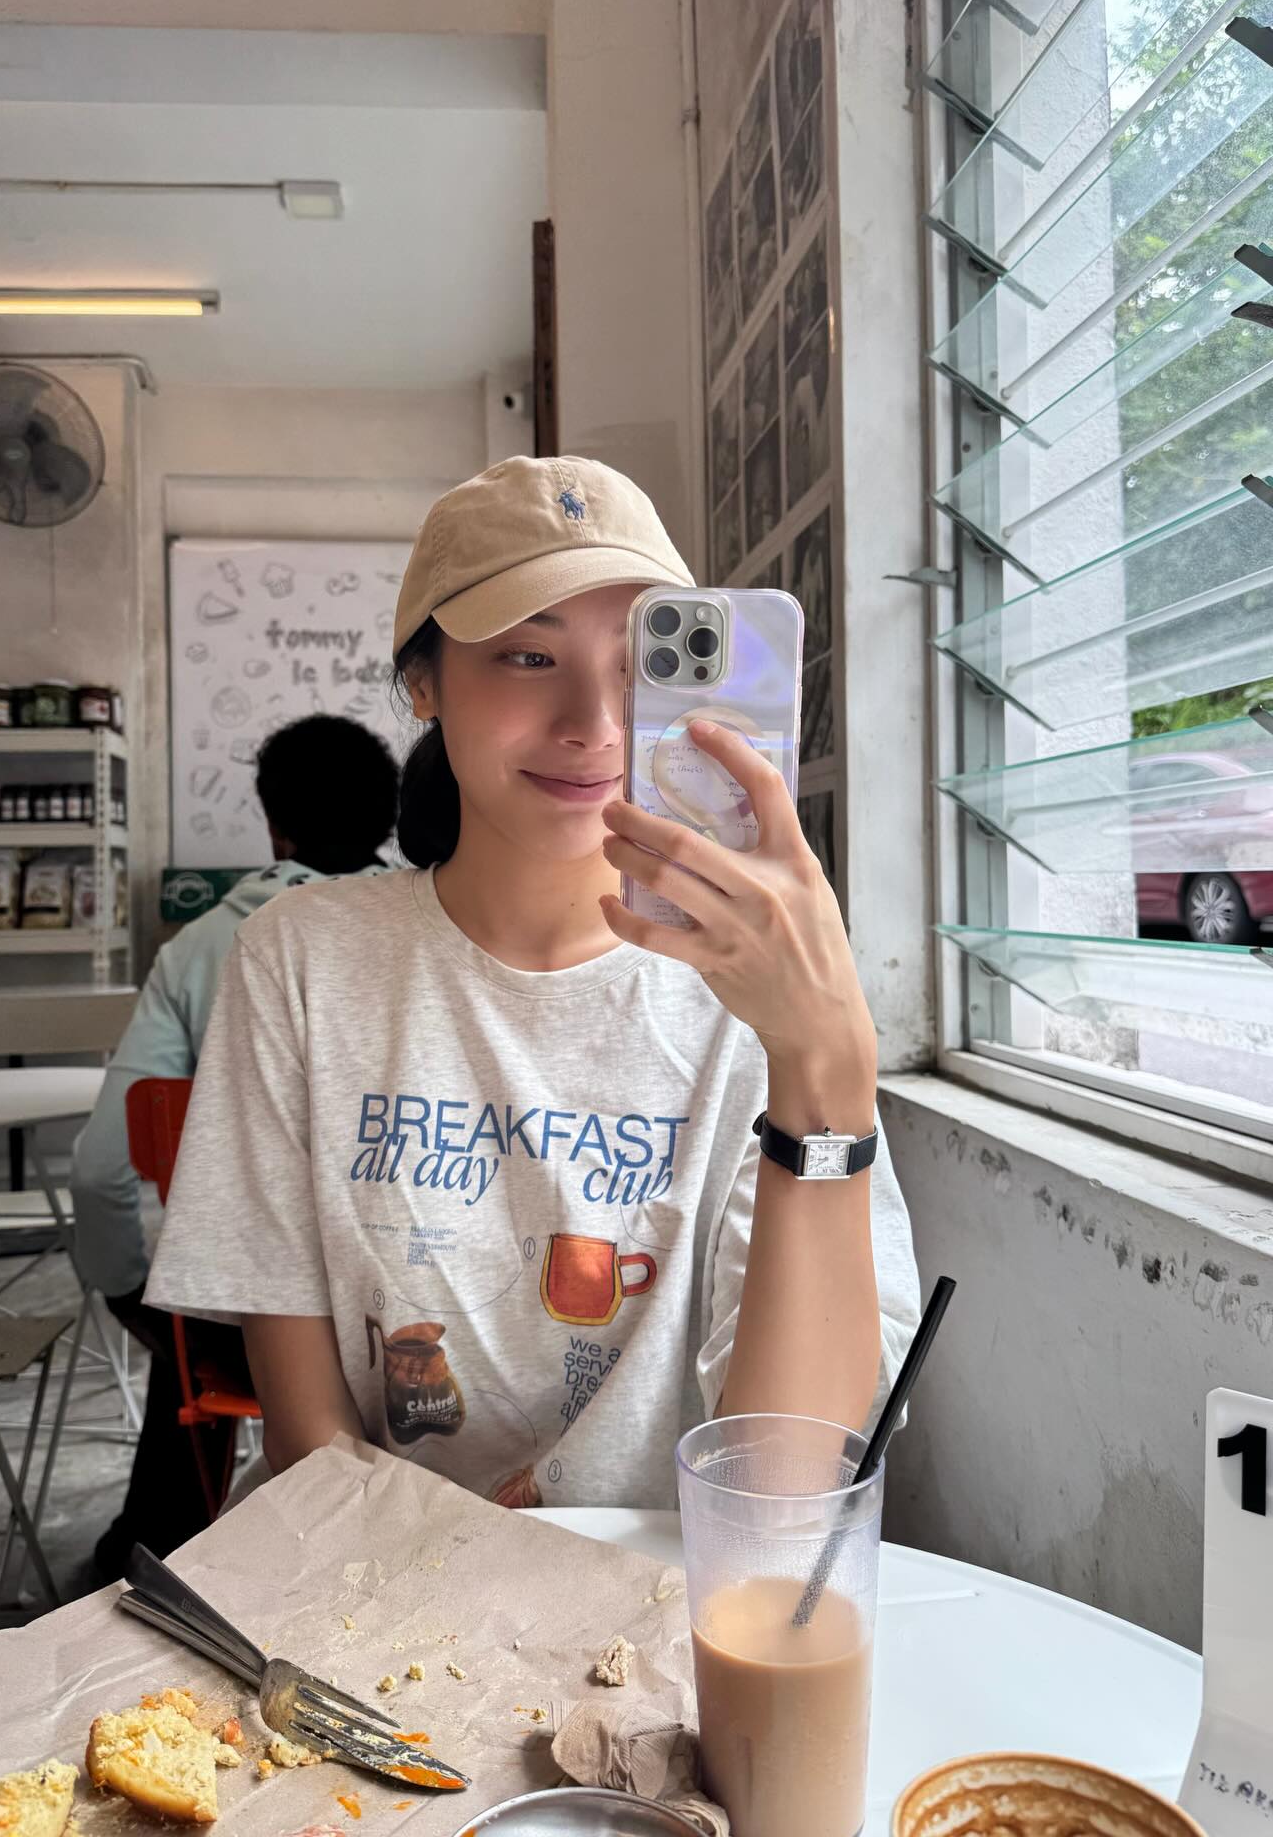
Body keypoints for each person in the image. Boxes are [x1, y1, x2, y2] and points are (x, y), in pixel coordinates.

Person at [147, 456, 919, 1511]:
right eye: (527, 655)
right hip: (374, 1569)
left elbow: (786, 1475)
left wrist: (824, 1060)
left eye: (640, 666)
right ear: (422, 683)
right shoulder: (302, 959)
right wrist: (461, 1565)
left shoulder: (756, 990)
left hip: (662, 1584)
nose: (594, 721)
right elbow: (307, 1432)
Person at [71, 712, 398, 1575]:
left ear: (273, 823)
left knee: (203, 1295)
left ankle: (160, 1547)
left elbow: (101, 1167)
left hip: (244, 1340)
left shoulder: (201, 950)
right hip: (416, 1335)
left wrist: (134, 1290)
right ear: (389, 820)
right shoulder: (440, 938)